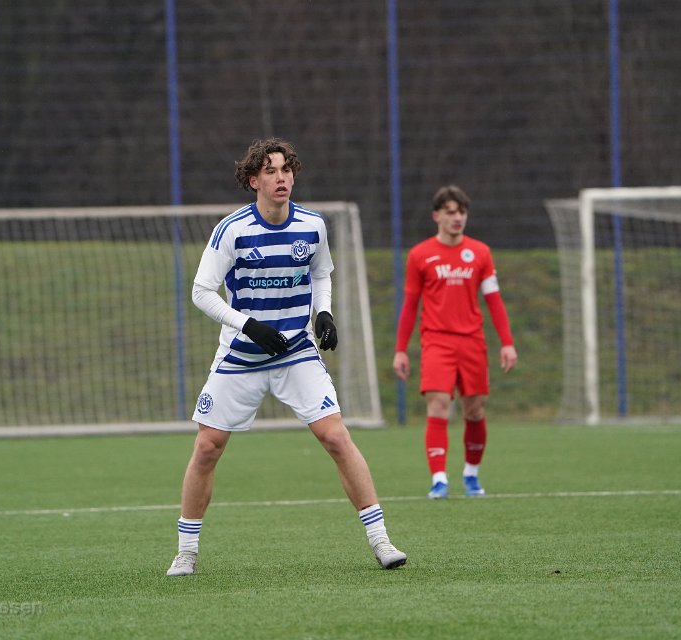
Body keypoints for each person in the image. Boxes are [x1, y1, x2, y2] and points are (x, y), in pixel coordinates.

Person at [166, 138, 407, 577]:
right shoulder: (232, 230)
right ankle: (186, 552)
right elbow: (201, 291)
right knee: (206, 448)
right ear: (253, 181)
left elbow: (321, 273)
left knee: (336, 437)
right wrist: (248, 325)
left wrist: (324, 313)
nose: (282, 178)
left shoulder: (312, 225)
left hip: (296, 352)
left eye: (287, 170)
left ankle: (381, 541)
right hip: (241, 355)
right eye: (271, 171)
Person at [393, 185, 518, 499]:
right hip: (436, 341)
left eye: (461, 212)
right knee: (438, 404)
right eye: (450, 212)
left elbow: (494, 300)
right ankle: (439, 480)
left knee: (474, 410)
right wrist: (400, 350)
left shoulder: (480, 253)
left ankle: (471, 476)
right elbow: (410, 305)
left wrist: (507, 342)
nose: (457, 218)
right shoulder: (420, 255)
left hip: (472, 341)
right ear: (436, 216)